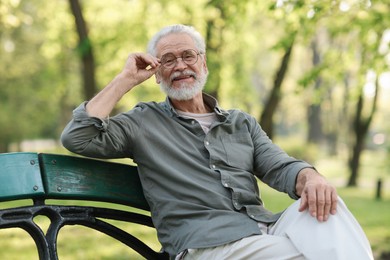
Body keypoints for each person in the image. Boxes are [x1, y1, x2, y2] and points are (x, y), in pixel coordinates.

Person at [61, 24, 373, 260]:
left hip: (260, 229)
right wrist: (126, 78)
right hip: (207, 246)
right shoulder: (143, 122)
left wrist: (311, 177)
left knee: (328, 206)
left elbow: (279, 166)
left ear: (204, 64)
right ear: (156, 73)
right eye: (167, 60)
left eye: (188, 55)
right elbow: (79, 136)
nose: (180, 66)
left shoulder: (240, 122)